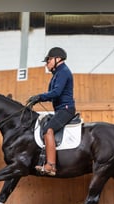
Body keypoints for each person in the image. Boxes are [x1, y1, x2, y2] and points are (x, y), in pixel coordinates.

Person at [26, 47, 76, 176]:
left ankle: (50, 165)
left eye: (48, 60)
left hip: (65, 109)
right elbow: (53, 94)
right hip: (59, 110)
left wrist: (40, 97)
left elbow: (56, 93)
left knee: (48, 130)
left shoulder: (63, 72)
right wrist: (38, 98)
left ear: (57, 59)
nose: (47, 63)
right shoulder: (57, 73)